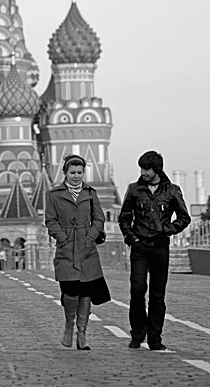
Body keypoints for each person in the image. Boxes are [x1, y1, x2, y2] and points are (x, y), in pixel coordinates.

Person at [118, 150, 191, 351]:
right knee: (137, 289)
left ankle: (154, 338)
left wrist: (165, 231)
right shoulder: (134, 190)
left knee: (157, 295)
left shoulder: (172, 190)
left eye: (147, 169)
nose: (143, 172)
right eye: (141, 168)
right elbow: (124, 217)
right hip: (140, 246)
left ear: (156, 169)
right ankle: (137, 334)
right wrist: (130, 237)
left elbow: (184, 218)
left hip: (160, 248)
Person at [45, 154, 111, 350]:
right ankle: (69, 325)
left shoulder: (90, 193)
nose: (76, 176)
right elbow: (50, 220)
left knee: (86, 292)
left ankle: (82, 334)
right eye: (72, 172)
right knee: (70, 290)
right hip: (66, 247)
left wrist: (91, 236)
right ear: (65, 173)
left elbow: (99, 218)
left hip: (87, 248)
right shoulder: (54, 194)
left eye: (79, 172)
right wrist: (62, 237)